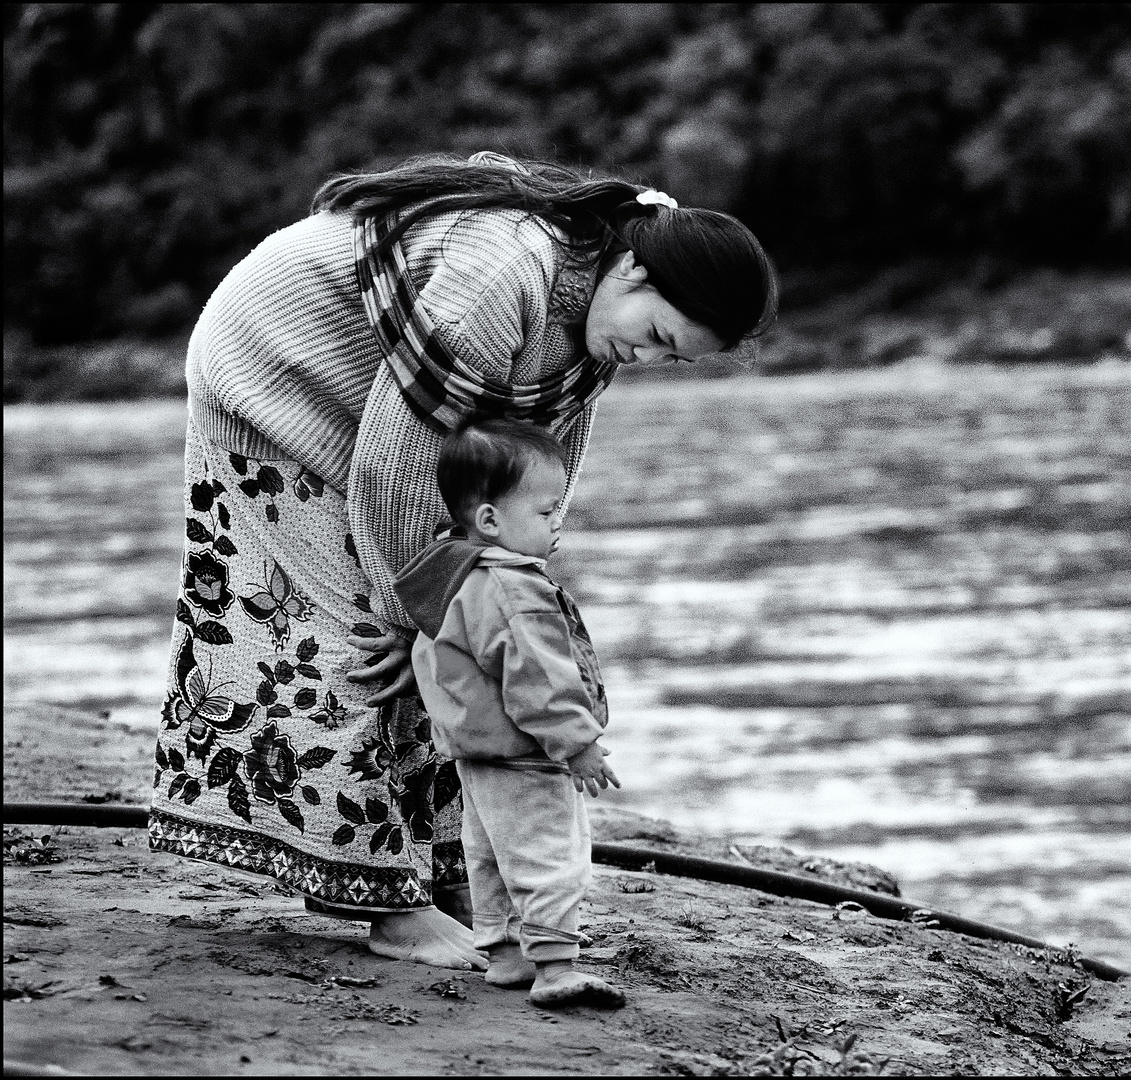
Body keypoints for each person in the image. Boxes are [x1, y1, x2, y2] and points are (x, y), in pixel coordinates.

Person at [150, 151, 776, 970]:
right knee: (356, 640)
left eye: (675, 358)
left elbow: (537, 461)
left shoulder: (598, 310)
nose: (650, 360)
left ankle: (444, 872)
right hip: (274, 372)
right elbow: (396, 467)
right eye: (657, 337)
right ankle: (382, 902)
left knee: (457, 626)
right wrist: (416, 611)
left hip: (377, 408)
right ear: (629, 270)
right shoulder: (500, 279)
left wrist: (512, 575)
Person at [394, 415, 624, 1008]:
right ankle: (554, 967)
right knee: (552, 853)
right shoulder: (516, 589)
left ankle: (505, 956)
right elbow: (538, 678)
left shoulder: (453, 579)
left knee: (491, 854)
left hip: (477, 750)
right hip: (527, 751)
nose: (558, 525)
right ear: (491, 520)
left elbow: (433, 658)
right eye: (547, 513)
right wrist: (576, 743)